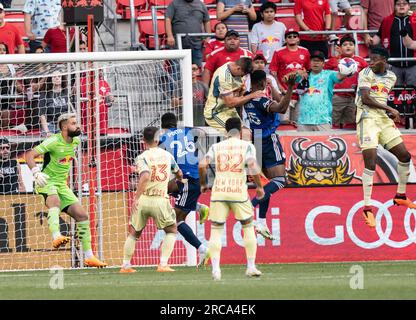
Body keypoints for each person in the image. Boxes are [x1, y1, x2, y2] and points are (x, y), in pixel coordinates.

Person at [24, 113, 107, 267]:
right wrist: (35, 172)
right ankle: (56, 236)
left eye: (77, 123)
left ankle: (89, 257)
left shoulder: (75, 140)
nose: (78, 126)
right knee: (54, 201)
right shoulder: (54, 141)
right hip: (46, 181)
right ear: (64, 126)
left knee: (82, 215)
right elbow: (29, 155)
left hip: (62, 185)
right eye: (73, 123)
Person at [355, 46, 415, 228]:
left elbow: (379, 98)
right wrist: (390, 109)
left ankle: (400, 195)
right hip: (366, 119)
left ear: (384, 61)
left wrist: (387, 112)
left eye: (374, 60)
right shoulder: (365, 73)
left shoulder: (391, 76)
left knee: (405, 156)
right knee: (371, 163)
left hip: (382, 119)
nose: (370, 63)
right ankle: (367, 208)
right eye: (369, 59)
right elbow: (365, 99)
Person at [198, 117, 265, 280]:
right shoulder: (247, 146)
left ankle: (216, 270)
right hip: (238, 192)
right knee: (248, 226)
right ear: (240, 131)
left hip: (219, 191)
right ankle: (250, 266)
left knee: (216, 230)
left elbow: (202, 164)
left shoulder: (216, 146)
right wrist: (259, 186)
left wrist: (203, 184)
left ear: (226, 131)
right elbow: (252, 165)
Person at [119, 126, 183, 273]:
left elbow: (145, 175)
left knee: (134, 233)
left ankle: (126, 265)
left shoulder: (141, 157)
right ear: (157, 139)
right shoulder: (167, 156)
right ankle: (163, 264)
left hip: (143, 200)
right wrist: (179, 179)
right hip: (160, 199)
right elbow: (178, 172)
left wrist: (136, 198)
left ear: (143, 141)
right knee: (172, 230)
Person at [243, 70, 296, 239]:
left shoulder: (246, 97)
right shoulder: (261, 100)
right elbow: (282, 107)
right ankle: (250, 205)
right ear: (262, 83)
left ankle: (261, 222)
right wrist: (290, 87)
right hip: (267, 140)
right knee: (280, 181)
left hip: (255, 140)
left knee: (266, 185)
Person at [159, 113, 210, 264]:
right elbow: (202, 133)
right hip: (192, 177)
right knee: (164, 189)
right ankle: (199, 207)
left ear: (163, 126)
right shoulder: (188, 130)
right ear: (176, 123)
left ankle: (203, 250)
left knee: (175, 220)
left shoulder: (163, 139)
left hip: (189, 180)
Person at [203, 57, 263, 135]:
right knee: (236, 134)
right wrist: (251, 96)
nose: (242, 77)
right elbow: (230, 103)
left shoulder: (234, 67)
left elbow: (240, 93)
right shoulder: (224, 77)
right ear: (238, 69)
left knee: (247, 133)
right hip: (216, 112)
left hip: (229, 110)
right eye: (242, 75)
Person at [297, 50, 349, 131]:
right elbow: (285, 79)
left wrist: (346, 66)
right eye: (314, 60)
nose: (316, 63)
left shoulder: (329, 74)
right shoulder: (303, 75)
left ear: (323, 64)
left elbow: (340, 76)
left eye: (319, 61)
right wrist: (297, 72)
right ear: (310, 62)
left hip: (323, 120)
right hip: (303, 121)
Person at [369, 0, 416, 87]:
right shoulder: (387, 20)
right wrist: (371, 40)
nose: (401, 6)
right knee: (395, 93)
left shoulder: (415, 19)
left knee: (413, 93)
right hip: (393, 64)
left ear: (409, 6)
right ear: (394, 6)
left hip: (413, 64)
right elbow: (379, 35)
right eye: (398, 4)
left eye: (404, 4)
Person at [324, 35, 368, 128]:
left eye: (351, 44)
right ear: (340, 47)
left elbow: (368, 75)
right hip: (336, 97)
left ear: (355, 47)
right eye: (345, 44)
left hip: (354, 98)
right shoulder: (334, 60)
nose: (348, 46)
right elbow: (323, 74)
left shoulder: (361, 60)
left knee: (350, 125)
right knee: (332, 123)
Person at [270, 29, 310, 124]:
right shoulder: (278, 52)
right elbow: (273, 72)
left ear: (298, 39)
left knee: (299, 123)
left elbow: (309, 70)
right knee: (284, 123)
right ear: (285, 39)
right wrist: (279, 86)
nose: (292, 38)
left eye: (294, 36)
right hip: (284, 93)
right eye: (289, 36)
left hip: (300, 93)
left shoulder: (305, 51)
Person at [165, 0, 211, 67]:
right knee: (177, 69)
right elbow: (168, 19)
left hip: (196, 44)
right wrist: (169, 36)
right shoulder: (174, 4)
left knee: (197, 69)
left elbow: (207, 21)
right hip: (177, 43)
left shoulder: (201, 5)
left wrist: (207, 36)